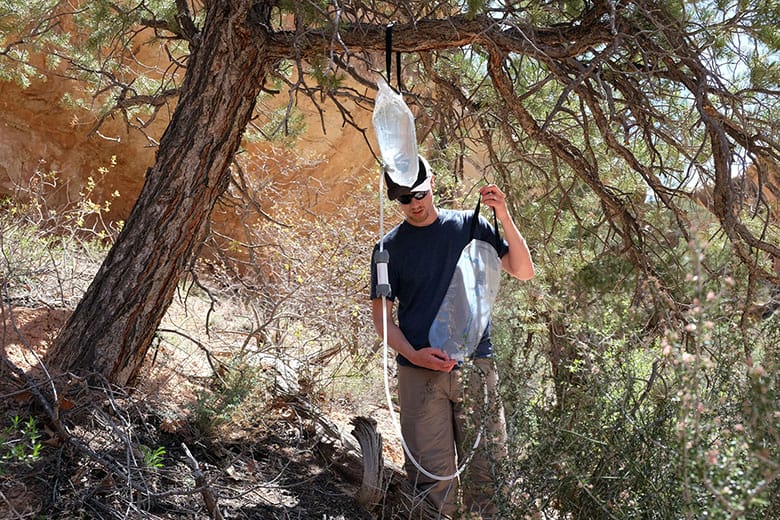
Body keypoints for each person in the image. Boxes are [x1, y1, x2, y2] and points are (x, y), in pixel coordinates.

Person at [370, 156, 535, 518]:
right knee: (431, 480)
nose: (413, 203)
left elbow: (522, 271)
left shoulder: (470, 225)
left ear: (432, 184)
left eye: (418, 193)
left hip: (475, 368)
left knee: (487, 473)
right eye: (403, 198)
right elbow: (382, 318)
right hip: (419, 375)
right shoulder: (387, 249)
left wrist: (504, 216)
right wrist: (413, 356)